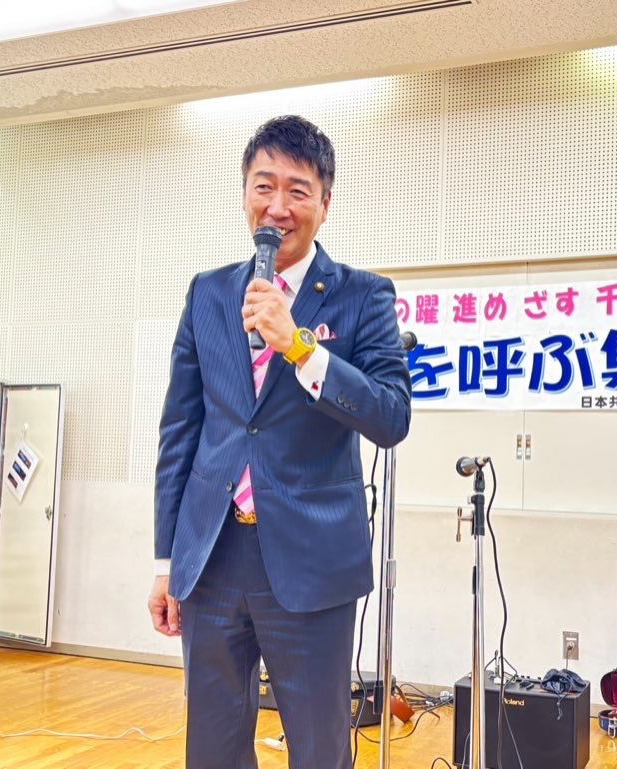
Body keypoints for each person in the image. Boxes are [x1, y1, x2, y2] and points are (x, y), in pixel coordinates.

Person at [148, 115, 412, 769]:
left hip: (311, 559)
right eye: (264, 186)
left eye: (298, 190)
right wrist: (167, 559)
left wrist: (300, 347)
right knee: (212, 748)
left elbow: (390, 416)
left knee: (319, 747)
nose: (278, 206)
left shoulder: (362, 296)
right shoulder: (209, 293)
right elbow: (181, 431)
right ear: (244, 194)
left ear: (326, 203)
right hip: (212, 555)